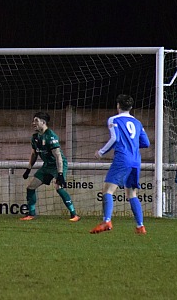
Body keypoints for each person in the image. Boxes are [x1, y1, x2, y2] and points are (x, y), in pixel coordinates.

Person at [91, 94, 150, 235]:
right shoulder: (137, 122)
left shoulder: (114, 119)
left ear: (118, 105)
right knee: (132, 193)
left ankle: (106, 221)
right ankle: (140, 226)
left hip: (122, 158)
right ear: (130, 107)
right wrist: (132, 145)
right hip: (136, 160)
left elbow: (114, 138)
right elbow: (146, 143)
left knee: (107, 191)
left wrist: (101, 152)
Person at [20, 112, 79, 222]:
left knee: (59, 188)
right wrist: (28, 169)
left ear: (43, 122)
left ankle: (74, 214)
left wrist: (60, 174)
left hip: (57, 165)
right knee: (31, 187)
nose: (33, 123)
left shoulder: (51, 136)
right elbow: (34, 154)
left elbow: (58, 157)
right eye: (33, 121)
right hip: (47, 166)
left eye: (36, 121)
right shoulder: (35, 137)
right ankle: (31, 214)